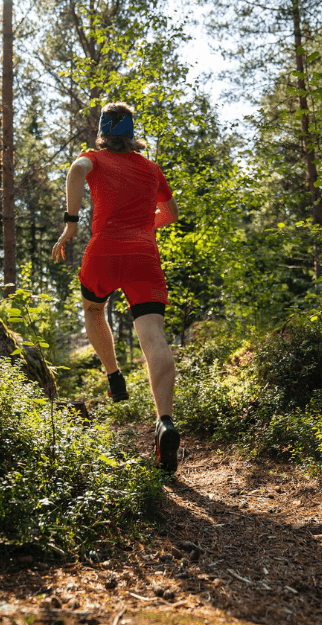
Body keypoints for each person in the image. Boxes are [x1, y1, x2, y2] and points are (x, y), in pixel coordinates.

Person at [51, 102, 182, 473]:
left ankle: (114, 375)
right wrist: (142, 226)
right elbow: (171, 214)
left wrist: (71, 224)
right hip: (144, 254)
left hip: (103, 250)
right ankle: (165, 422)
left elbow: (77, 169)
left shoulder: (93, 157)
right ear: (131, 134)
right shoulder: (151, 168)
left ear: (104, 132)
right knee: (153, 336)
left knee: (94, 310)